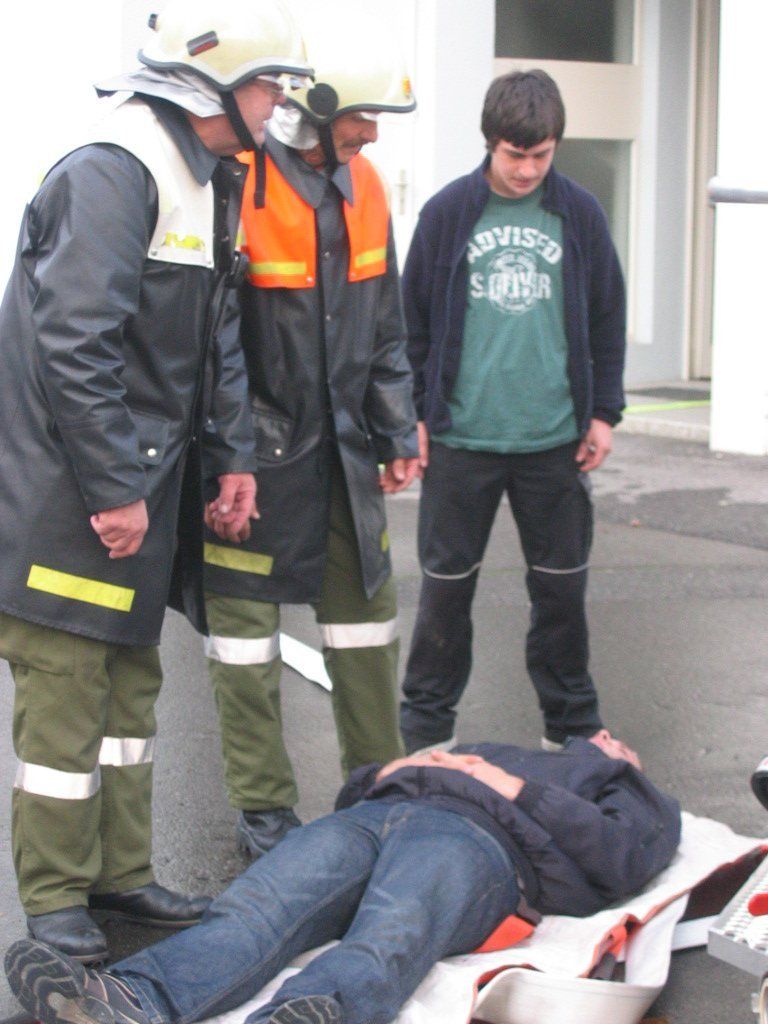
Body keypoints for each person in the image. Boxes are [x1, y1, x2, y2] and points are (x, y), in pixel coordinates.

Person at [0, 0, 311, 964]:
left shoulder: (206, 176)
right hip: (72, 506)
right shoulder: (113, 170)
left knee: (129, 697)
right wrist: (112, 489)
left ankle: (120, 874)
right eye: (269, 85)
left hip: (137, 497)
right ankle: (56, 899)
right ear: (211, 84)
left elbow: (215, 338)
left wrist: (233, 461)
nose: (279, 103)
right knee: (66, 704)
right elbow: (74, 344)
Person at [5, 730, 681, 1024]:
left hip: (480, 840)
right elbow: (354, 788)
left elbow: (620, 858)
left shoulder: (624, 784)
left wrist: (508, 787)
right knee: (256, 907)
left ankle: (313, 1012)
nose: (604, 736)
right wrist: (393, 770)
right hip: (377, 814)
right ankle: (127, 1000)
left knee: (393, 930)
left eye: (617, 741)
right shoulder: (495, 746)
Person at [202, 4, 420, 859]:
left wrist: (396, 430)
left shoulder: (367, 186)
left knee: (367, 625)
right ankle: (264, 811)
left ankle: (379, 788)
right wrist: (230, 453)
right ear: (320, 108)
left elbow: (387, 323)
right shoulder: (238, 184)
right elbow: (216, 339)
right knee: (243, 640)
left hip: (343, 453)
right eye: (363, 118)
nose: (373, 135)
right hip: (254, 456)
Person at [399, 70, 627, 755]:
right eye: (514, 154)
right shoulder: (447, 214)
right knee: (445, 596)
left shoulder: (580, 213)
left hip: (554, 441)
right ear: (490, 143)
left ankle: (572, 729)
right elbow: (411, 323)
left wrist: (604, 412)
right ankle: (427, 734)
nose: (527, 169)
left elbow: (607, 316)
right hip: (460, 440)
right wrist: (413, 414)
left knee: (560, 597)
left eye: (541, 155)